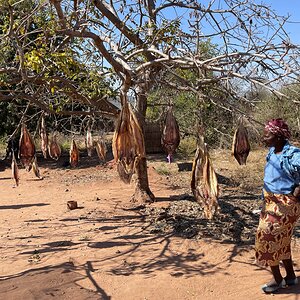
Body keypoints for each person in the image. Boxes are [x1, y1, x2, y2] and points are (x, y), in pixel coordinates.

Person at [255, 118, 300, 294]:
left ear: (279, 136)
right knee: (282, 240)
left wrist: (298, 189)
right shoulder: (273, 151)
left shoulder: (294, 154)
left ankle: (278, 280)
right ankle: (290, 276)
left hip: (284, 205)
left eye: (268, 135)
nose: (264, 138)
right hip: (270, 202)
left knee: (265, 239)